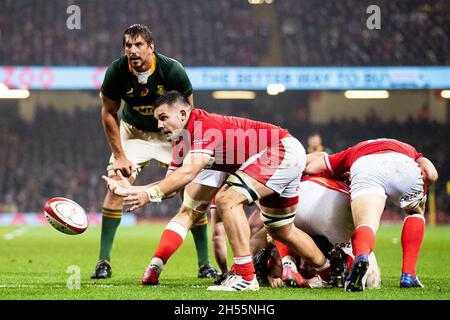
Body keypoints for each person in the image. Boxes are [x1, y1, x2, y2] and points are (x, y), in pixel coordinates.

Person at [103, 91, 332, 291]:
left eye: (163, 118)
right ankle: (328, 272)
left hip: (280, 149)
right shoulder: (181, 141)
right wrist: (134, 189)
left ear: (183, 115)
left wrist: (148, 195)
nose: (159, 125)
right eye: (157, 120)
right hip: (283, 153)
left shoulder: (202, 125)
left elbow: (188, 173)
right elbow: (172, 184)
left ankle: (245, 276)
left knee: (227, 199)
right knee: (282, 230)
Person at [92, 24, 217, 280]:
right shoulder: (116, 71)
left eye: (138, 45)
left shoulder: (172, 70)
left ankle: (204, 264)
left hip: (169, 133)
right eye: (128, 45)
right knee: (117, 186)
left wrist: (183, 157)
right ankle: (103, 262)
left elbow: (187, 115)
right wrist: (119, 155)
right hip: (133, 131)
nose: (132, 50)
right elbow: (108, 112)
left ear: (151, 47)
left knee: (190, 190)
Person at [305, 138, 438, 291]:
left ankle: (361, 256)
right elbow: (430, 172)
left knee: (365, 224)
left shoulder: (352, 150)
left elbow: (312, 168)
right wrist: (423, 189)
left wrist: (344, 175)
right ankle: (409, 275)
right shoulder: (408, 148)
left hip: (365, 167)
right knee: (415, 212)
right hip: (401, 163)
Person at [247, 175, 381, 289]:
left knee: (367, 277)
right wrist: (273, 275)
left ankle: (320, 272)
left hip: (302, 196)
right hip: (327, 198)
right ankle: (322, 272)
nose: (304, 267)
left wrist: (274, 273)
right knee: (369, 278)